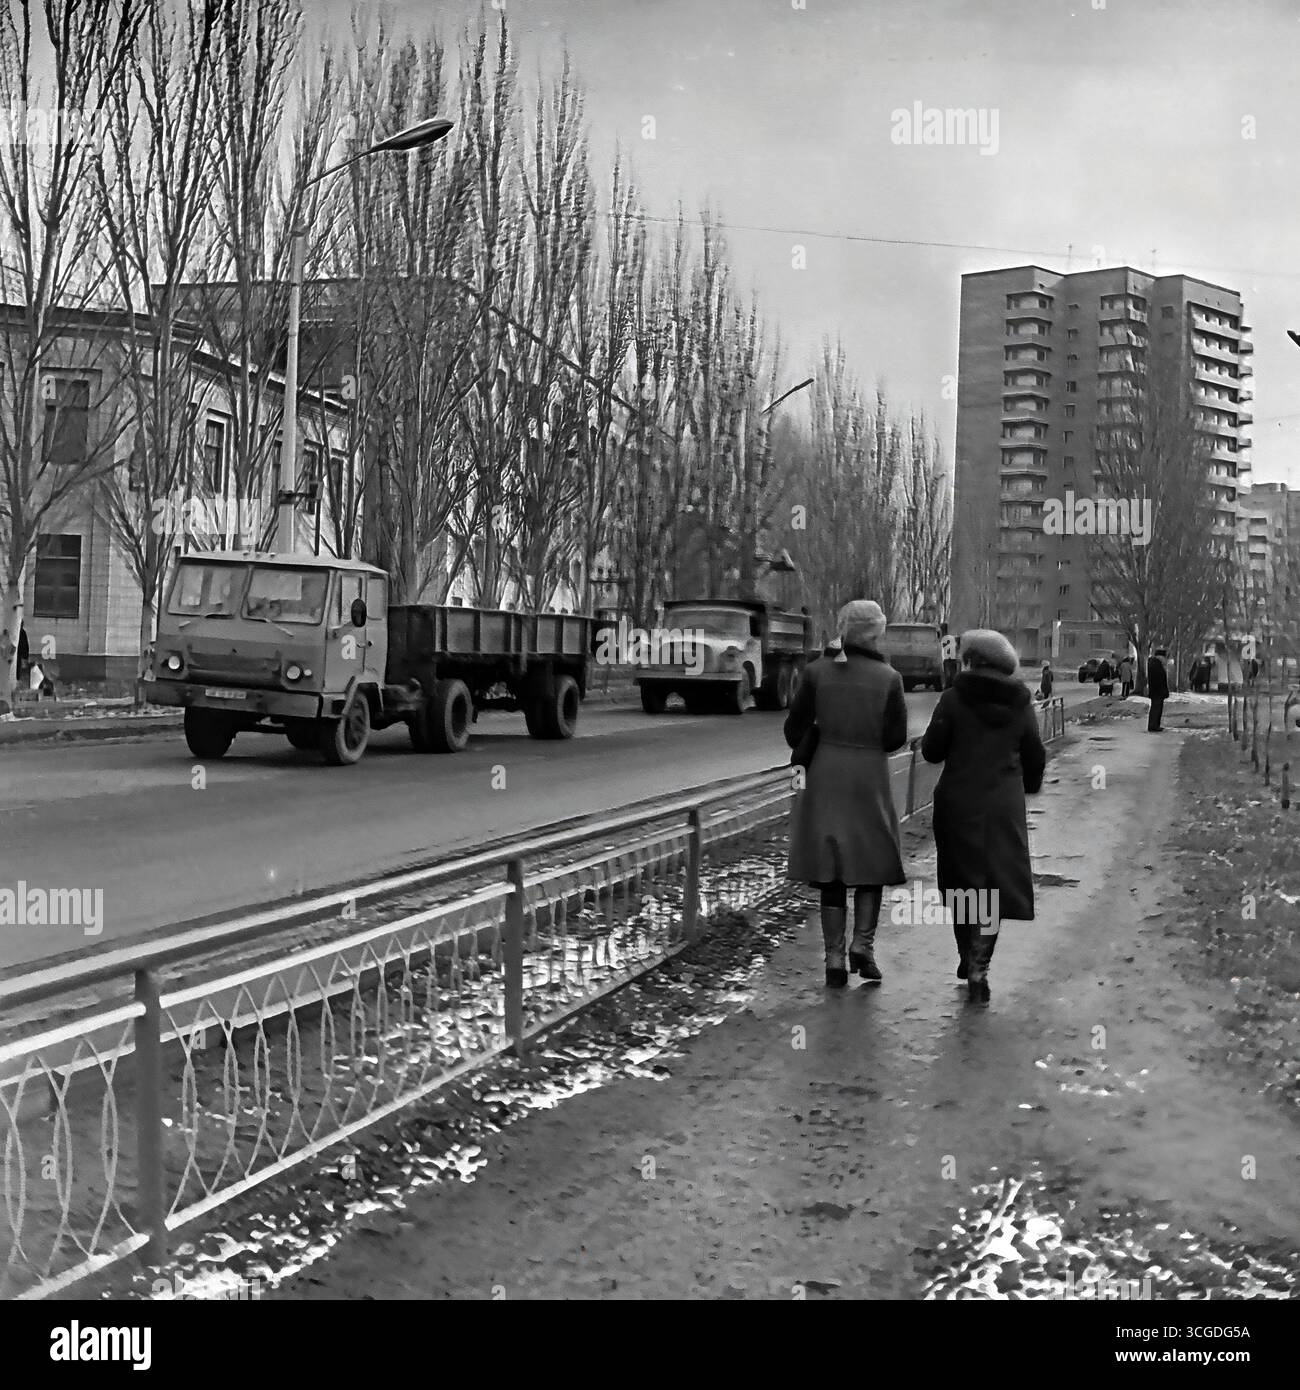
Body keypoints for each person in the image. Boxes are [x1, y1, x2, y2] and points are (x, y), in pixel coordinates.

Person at [785, 599, 907, 988]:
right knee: (871, 859)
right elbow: (895, 739)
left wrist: (823, 732)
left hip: (824, 774)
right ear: (877, 632)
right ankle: (863, 947)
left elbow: (793, 731)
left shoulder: (818, 672)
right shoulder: (889, 678)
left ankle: (834, 958)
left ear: (842, 628)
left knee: (831, 865)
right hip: (869, 775)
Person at [920, 629, 1046, 1003]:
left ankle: (965, 952)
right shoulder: (1021, 704)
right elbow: (1035, 754)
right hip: (1002, 806)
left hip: (958, 804)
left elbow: (932, 751)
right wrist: (1029, 785)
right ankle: (979, 964)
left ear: (972, 660)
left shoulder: (953, 700)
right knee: (994, 887)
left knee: (962, 884)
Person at [1147, 646, 1169, 731]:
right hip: (1157, 691)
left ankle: (1154, 725)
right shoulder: (1156, 665)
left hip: (1156, 691)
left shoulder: (1154, 663)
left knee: (1157, 708)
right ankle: (1153, 726)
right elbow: (1159, 679)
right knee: (1156, 708)